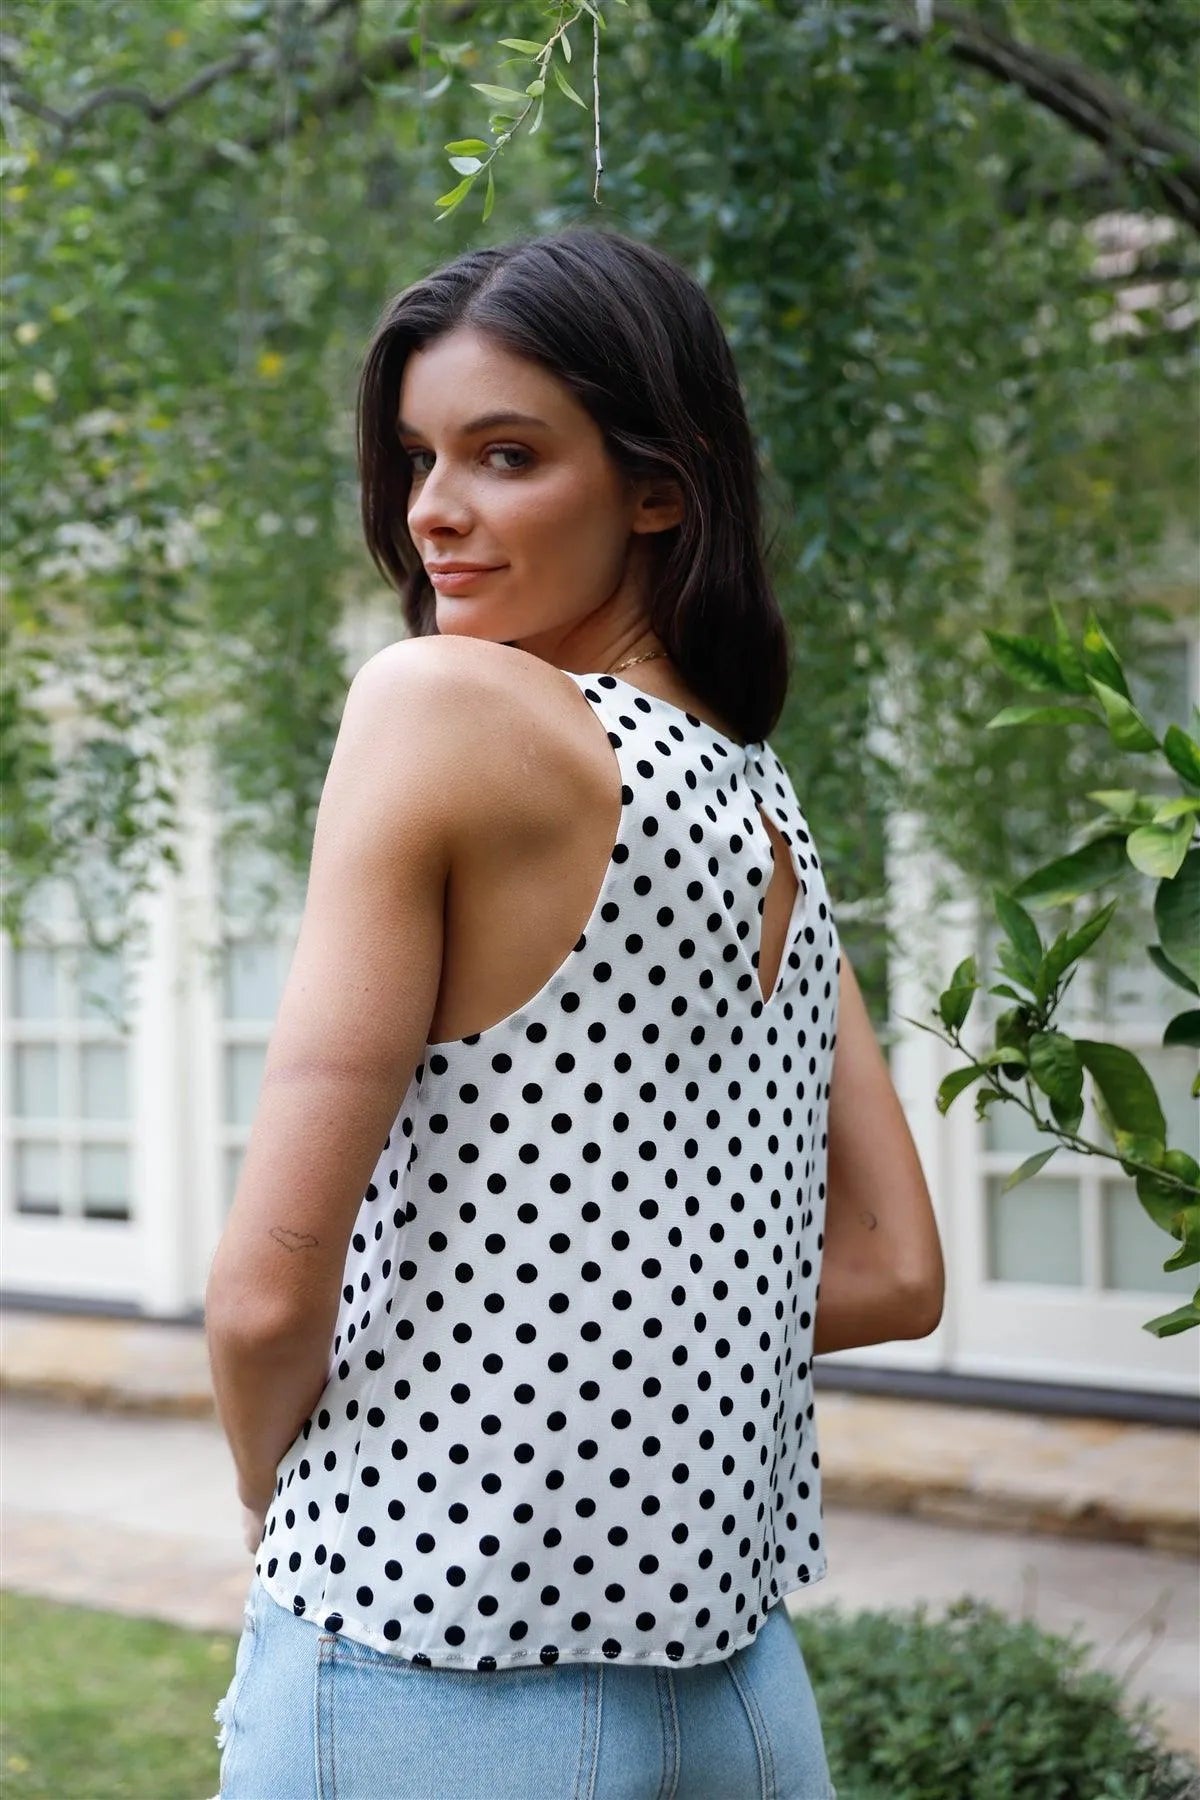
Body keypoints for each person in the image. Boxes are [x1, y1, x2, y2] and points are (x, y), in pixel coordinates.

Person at [204, 227, 944, 1799]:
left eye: (507, 455)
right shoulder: (765, 807)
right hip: (742, 1694)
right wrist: (603, 1329)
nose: (432, 511)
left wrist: (278, 1501)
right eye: (418, 458)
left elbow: (268, 1299)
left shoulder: (437, 702)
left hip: (428, 1659)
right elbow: (894, 1271)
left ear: (658, 488)